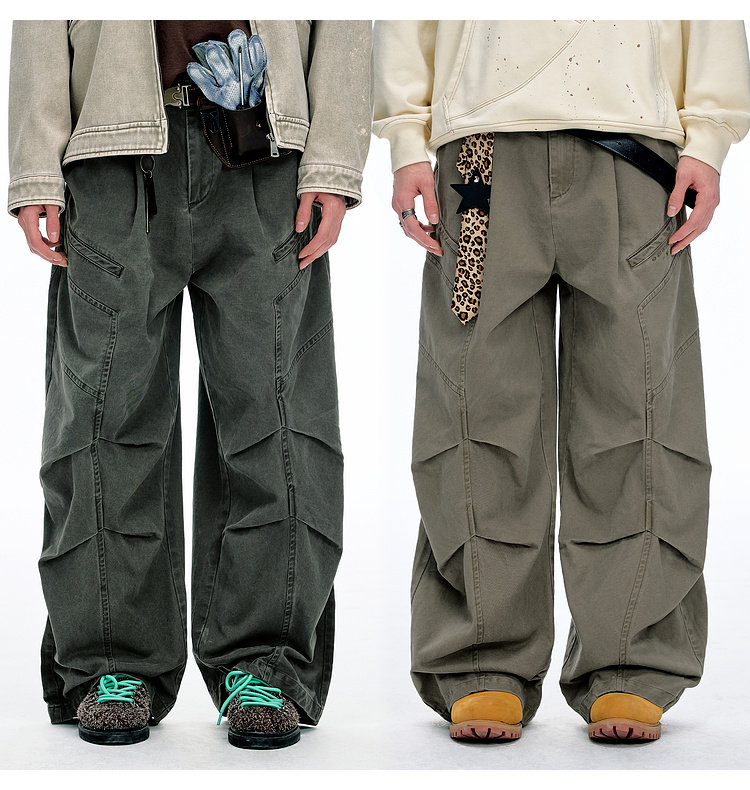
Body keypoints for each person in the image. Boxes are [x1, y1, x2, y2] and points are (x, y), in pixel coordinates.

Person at [373, 20, 750, 742]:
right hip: (480, 151)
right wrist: (406, 140)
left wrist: (708, 140)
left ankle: (632, 663)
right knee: (476, 408)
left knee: (638, 408)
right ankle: (481, 661)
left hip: (636, 151)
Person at [8, 19, 371, 748]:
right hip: (111, 144)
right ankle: (112, 663)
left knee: (278, 416)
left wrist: (333, 160)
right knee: (103, 418)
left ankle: (266, 663)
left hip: (265, 139)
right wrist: (34, 166)